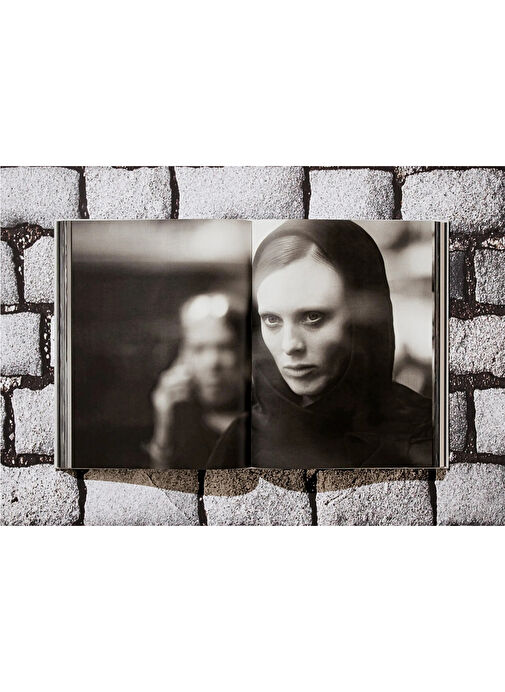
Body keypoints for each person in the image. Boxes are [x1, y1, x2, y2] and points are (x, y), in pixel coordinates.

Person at [210, 219, 433, 469]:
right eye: (272, 320)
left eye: (313, 317)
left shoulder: (427, 434)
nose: (290, 345)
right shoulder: (241, 440)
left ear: (360, 323)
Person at [146, 292, 248, 469]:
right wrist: (164, 424)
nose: (212, 363)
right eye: (199, 349)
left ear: (243, 352)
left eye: (225, 347)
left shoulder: (266, 410)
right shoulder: (172, 411)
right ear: (183, 355)